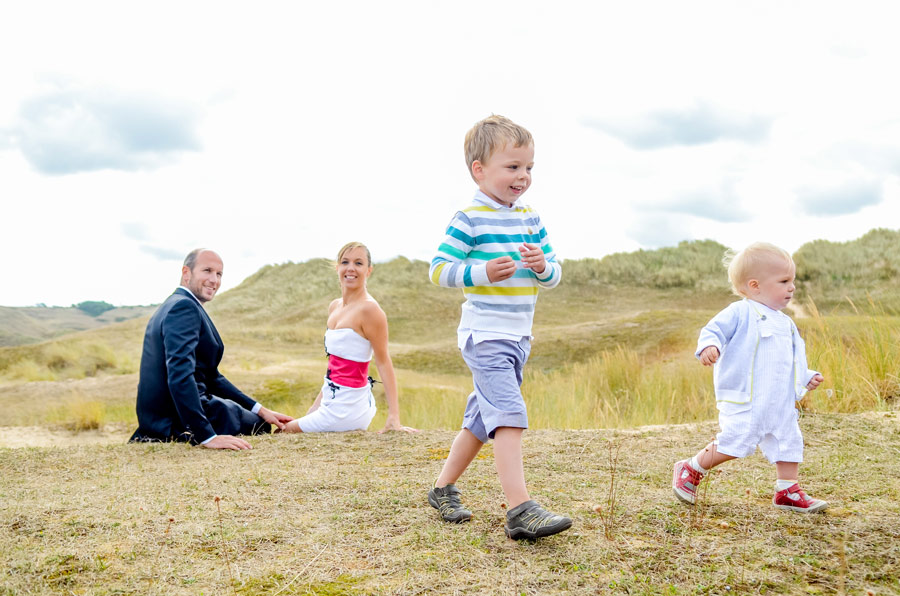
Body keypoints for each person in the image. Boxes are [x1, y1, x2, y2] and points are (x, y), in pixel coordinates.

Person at [426, 115, 572, 540]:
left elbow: (554, 273)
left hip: (518, 336)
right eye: (512, 167)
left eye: (528, 168)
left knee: (480, 420)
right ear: (479, 169)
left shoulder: (530, 218)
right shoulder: (469, 218)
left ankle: (441, 489)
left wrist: (544, 267)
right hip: (485, 334)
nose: (523, 176)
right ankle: (520, 510)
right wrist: (482, 272)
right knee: (509, 415)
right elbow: (439, 270)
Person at [672, 242, 828, 512]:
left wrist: (806, 376)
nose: (792, 287)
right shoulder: (740, 312)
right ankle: (691, 467)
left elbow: (791, 359)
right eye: (784, 281)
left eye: (793, 280)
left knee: (788, 441)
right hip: (747, 399)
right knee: (735, 441)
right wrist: (711, 346)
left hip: (779, 402)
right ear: (755, 285)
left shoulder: (786, 323)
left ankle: (787, 491)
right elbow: (714, 330)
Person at [130, 249, 293, 450]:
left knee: (259, 420)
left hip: (165, 417)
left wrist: (259, 408)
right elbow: (179, 374)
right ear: (186, 272)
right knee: (258, 427)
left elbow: (211, 377)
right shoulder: (183, 308)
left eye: (219, 274)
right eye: (207, 270)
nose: (214, 280)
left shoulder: (176, 304)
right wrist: (206, 436)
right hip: (176, 420)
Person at [281, 242, 417, 434]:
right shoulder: (334, 307)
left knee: (283, 432)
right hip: (334, 401)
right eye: (345, 262)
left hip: (348, 408)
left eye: (359, 263)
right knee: (287, 429)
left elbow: (384, 362)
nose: (351, 268)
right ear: (337, 268)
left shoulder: (370, 310)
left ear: (368, 270)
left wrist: (394, 417)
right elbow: (334, 367)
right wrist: (314, 407)